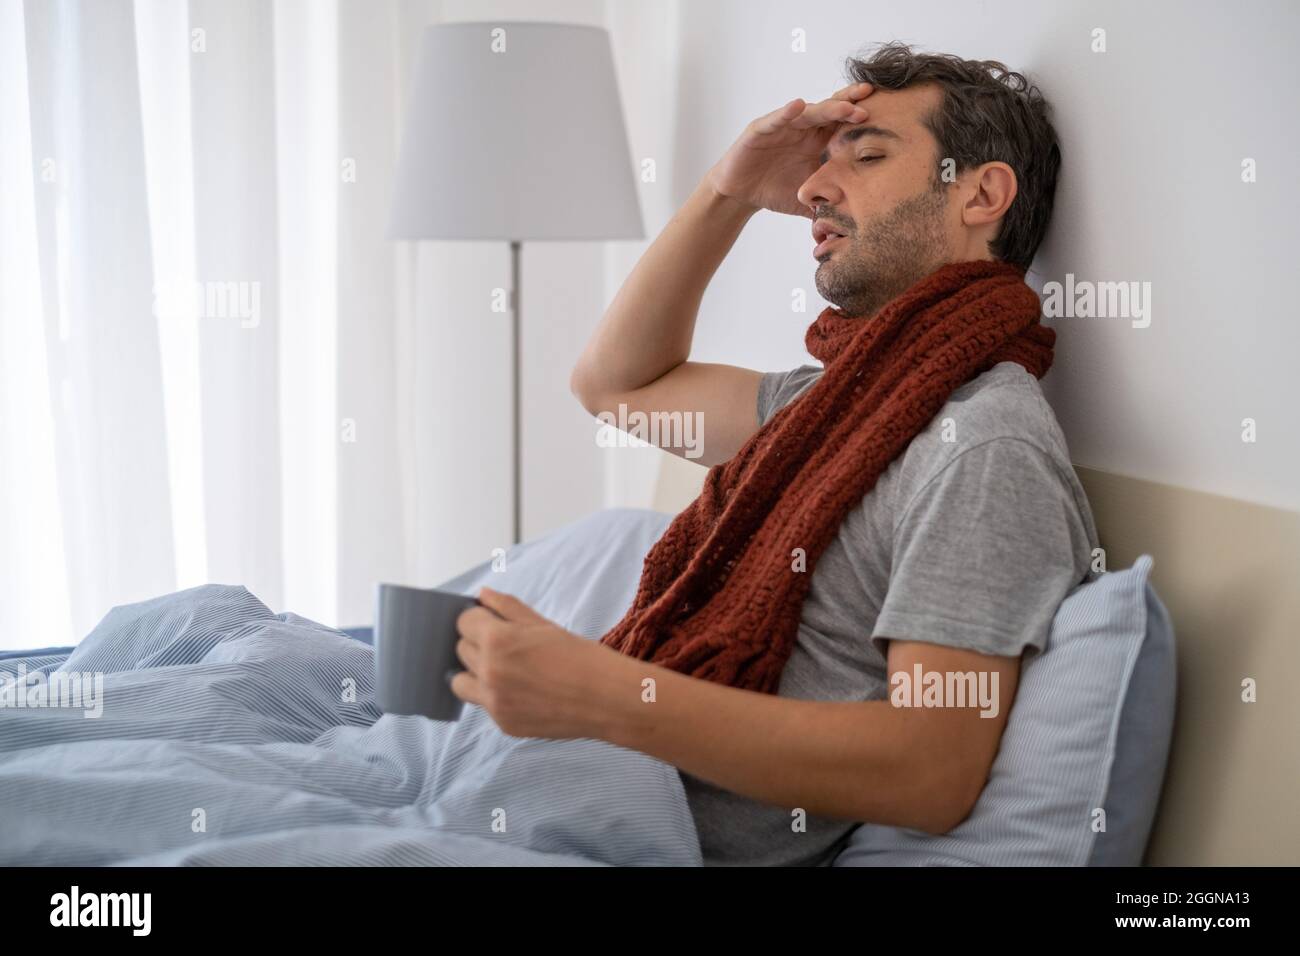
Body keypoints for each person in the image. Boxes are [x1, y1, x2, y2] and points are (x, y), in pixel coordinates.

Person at [453, 42, 1098, 866]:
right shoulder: (824, 411)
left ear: (981, 193)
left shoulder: (982, 445)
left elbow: (932, 767)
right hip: (551, 796)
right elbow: (614, 385)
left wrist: (606, 693)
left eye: (865, 156)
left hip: (625, 835)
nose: (813, 190)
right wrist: (729, 192)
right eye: (817, 168)